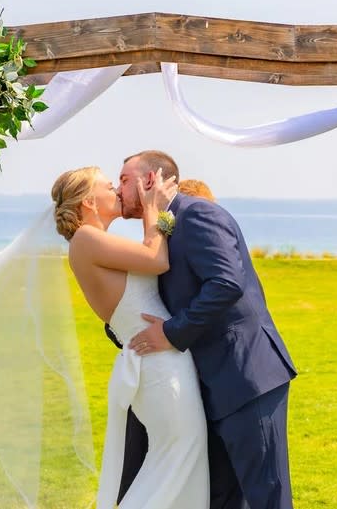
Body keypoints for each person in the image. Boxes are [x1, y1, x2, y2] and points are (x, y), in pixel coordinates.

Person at [117, 150, 297, 509]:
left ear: (149, 180)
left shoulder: (198, 214)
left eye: (124, 179)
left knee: (268, 498)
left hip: (245, 376)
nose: (116, 187)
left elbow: (226, 283)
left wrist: (171, 333)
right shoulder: (161, 231)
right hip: (208, 388)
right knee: (222, 501)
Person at [51, 166, 209, 509]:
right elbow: (156, 258)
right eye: (110, 186)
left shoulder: (95, 242)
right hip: (158, 364)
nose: (117, 191)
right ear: (90, 202)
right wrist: (154, 206)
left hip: (159, 360)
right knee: (177, 456)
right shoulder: (85, 239)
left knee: (176, 457)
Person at [104, 175, 217, 504]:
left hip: (180, 370)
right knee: (161, 469)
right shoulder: (154, 248)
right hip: (159, 372)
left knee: (175, 468)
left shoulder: (191, 247)